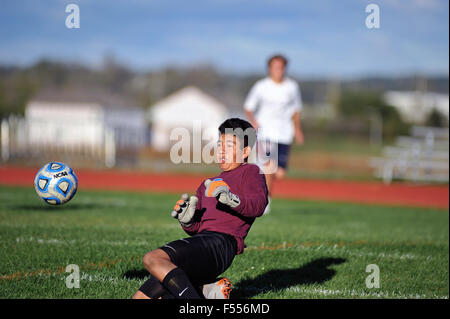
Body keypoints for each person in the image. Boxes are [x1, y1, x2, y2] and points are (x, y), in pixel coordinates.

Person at [132, 118, 268, 299]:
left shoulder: (251, 172)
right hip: (202, 245)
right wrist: (188, 221)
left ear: (245, 151)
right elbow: (196, 229)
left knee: (153, 259)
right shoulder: (207, 185)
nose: (221, 151)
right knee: (141, 298)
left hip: (220, 245)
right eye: (220, 145)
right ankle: (207, 289)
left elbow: (258, 205)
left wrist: (232, 199)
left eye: (229, 146)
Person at [244, 54, 304, 213]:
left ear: (285, 68)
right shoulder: (261, 86)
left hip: (284, 133)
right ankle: (266, 200)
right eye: (275, 66)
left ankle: (259, 188)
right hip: (265, 132)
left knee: (280, 173)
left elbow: (296, 110)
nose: (278, 69)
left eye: (281, 66)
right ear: (269, 68)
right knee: (269, 166)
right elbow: (248, 107)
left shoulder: (292, 87)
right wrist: (254, 122)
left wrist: (297, 129)